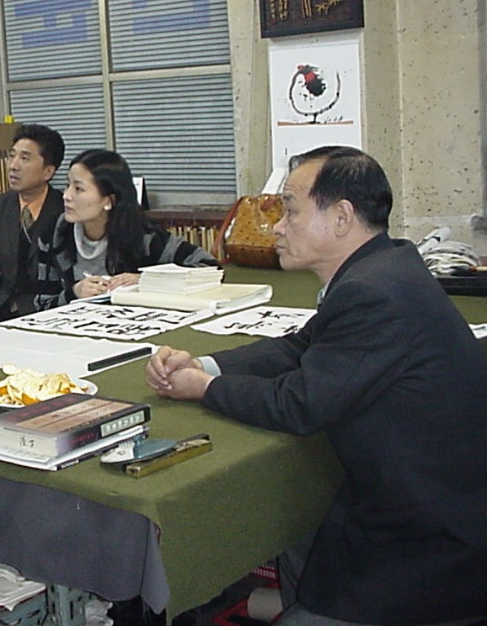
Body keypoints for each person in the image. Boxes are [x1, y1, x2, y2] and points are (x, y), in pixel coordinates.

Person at [146, 146, 485, 625]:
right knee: (294, 521)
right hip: (424, 499)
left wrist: (202, 388)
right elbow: (300, 347)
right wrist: (205, 364)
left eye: (290, 210)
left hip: (425, 541)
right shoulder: (385, 265)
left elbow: (299, 404)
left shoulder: (372, 292)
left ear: (342, 217)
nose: (277, 227)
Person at [35, 148, 216, 310]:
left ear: (108, 201)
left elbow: (210, 268)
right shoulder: (53, 235)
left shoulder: (144, 236)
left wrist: (147, 280)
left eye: (78, 189)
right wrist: (74, 292)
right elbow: (42, 304)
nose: (66, 196)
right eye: (67, 185)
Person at [0, 124, 66, 323]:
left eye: (24, 158)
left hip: (47, 310)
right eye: (12, 155)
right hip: (0, 306)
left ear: (48, 172)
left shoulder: (65, 211)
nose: (13, 166)